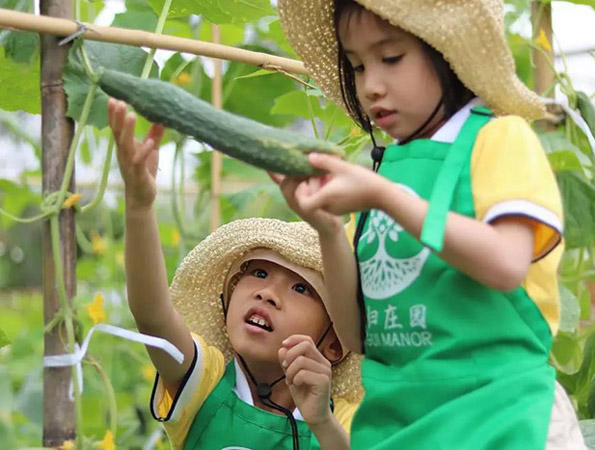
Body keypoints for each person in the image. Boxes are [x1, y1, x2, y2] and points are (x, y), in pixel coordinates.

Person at [272, 0, 585, 448]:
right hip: (401, 429)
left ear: (447, 51)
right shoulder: (383, 177)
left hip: (503, 419)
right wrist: (326, 227)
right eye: (357, 66)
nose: (370, 86)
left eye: (391, 58)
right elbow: (355, 333)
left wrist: (385, 197)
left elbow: (506, 263)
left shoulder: (499, 139)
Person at [107, 98, 362, 450]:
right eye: (258, 272)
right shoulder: (204, 383)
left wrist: (321, 420)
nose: (267, 293)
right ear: (227, 303)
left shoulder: (346, 418)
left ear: (334, 344)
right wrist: (139, 205)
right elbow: (152, 316)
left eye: (301, 289)